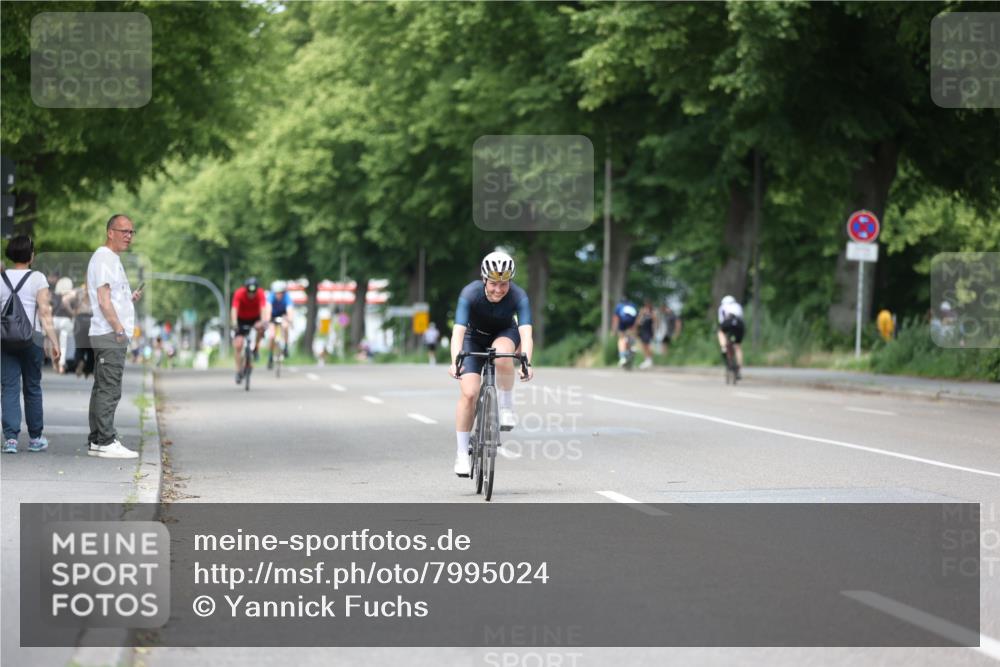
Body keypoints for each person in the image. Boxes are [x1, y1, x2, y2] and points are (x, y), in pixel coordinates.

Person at [448, 251, 534, 477]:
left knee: (503, 354)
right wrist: (455, 360)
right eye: (494, 283)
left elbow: (526, 334)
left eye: (504, 284)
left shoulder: (518, 296)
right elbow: (458, 332)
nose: (498, 289)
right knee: (469, 394)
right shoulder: (470, 293)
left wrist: (527, 362)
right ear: (485, 280)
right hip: (473, 337)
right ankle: (461, 455)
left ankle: (505, 407)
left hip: (505, 334)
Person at [87, 215, 143, 459]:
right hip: (110, 334)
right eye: (123, 231)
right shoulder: (104, 258)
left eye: (131, 232)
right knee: (109, 389)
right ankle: (107, 440)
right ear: (110, 232)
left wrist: (128, 300)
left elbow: (111, 296)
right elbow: (102, 299)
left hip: (108, 332)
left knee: (102, 388)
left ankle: (98, 440)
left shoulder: (110, 259)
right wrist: (119, 329)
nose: (128, 236)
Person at [1, 235, 61, 453]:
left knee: (9, 387)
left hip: (5, 340)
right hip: (32, 339)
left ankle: (10, 439)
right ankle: (35, 438)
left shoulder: (1, 278)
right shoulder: (37, 278)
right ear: (31, 255)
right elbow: (45, 312)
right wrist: (54, 341)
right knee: (32, 387)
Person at [231, 277, 269, 382]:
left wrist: (263, 321)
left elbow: (263, 308)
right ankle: (238, 371)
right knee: (238, 345)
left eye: (254, 292)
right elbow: (234, 309)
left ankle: (256, 348)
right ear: (245, 289)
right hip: (241, 319)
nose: (251, 294)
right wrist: (234, 323)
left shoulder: (260, 293)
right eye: (249, 292)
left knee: (261, 329)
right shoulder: (239, 293)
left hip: (255, 318)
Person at [267, 280, 293, 369]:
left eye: (281, 293)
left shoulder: (287, 297)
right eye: (277, 293)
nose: (279, 295)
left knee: (285, 326)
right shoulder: (271, 297)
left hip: (283, 314)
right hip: (273, 315)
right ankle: (270, 355)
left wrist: (290, 319)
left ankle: (285, 347)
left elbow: (289, 309)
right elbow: (268, 308)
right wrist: (268, 319)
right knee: (272, 335)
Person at [717, 294, 745, 379]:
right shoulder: (738, 306)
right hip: (739, 325)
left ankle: (724, 347)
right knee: (738, 347)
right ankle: (739, 369)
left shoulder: (722, 307)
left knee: (720, 332)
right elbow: (741, 317)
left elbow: (721, 320)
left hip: (727, 323)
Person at [610, 297, 639, 367]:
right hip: (631, 322)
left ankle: (622, 357)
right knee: (630, 336)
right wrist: (635, 328)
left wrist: (614, 330)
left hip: (623, 322)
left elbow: (616, 319)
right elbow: (637, 318)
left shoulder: (619, 306)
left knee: (621, 339)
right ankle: (632, 347)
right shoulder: (633, 305)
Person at [636, 300, 657, 369]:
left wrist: (654, 333)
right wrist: (641, 314)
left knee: (647, 345)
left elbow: (655, 323)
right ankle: (647, 359)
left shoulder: (652, 313)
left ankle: (649, 360)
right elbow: (638, 322)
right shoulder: (642, 313)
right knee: (643, 346)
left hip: (649, 331)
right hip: (642, 331)